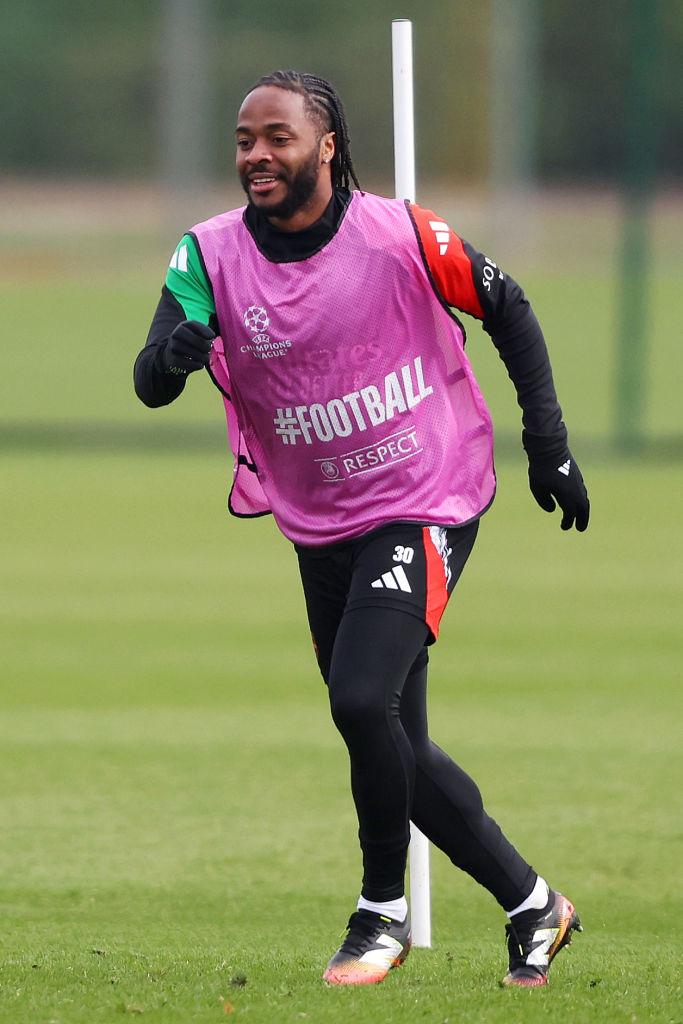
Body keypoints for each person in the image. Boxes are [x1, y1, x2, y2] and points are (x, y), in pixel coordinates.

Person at [134, 70, 589, 988]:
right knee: (393, 742)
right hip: (318, 518)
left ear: (327, 145)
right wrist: (174, 355)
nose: (257, 155)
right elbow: (149, 380)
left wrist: (547, 445)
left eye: (278, 137)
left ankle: (380, 912)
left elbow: (508, 307)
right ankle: (533, 904)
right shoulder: (207, 255)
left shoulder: (400, 233)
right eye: (244, 140)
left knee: (356, 700)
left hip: (427, 493)